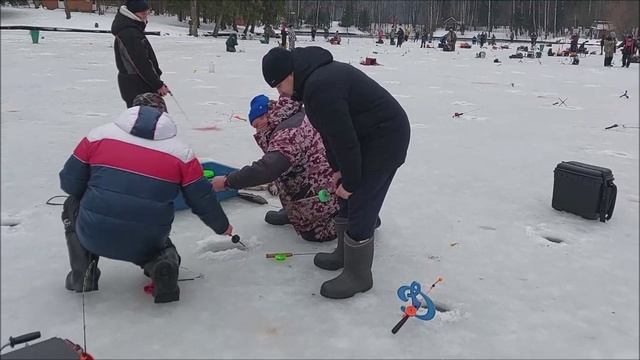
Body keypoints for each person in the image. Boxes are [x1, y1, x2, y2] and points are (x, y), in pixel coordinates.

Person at [261, 47, 410, 299]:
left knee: (360, 201)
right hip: (366, 137)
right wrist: (338, 171)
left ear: (290, 73)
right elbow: (329, 134)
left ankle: (359, 275)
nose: (280, 93)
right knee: (345, 197)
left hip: (386, 139)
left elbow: (345, 141)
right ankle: (343, 253)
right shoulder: (312, 84)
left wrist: (350, 182)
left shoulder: (321, 86)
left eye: (279, 85)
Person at [59, 93, 233, 304]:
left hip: (93, 233)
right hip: (146, 240)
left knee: (71, 205)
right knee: (159, 246)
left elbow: (69, 183)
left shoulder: (97, 136)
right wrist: (222, 227)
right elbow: (202, 199)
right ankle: (162, 265)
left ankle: (84, 275)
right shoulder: (182, 153)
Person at [212, 95, 340, 242]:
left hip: (322, 187)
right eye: (254, 126)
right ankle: (294, 212)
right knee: (286, 174)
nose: (257, 128)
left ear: (267, 113)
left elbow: (268, 169)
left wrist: (228, 181)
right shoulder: (287, 117)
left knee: (316, 234)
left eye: (258, 122)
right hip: (309, 181)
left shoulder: (287, 133)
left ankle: (354, 220)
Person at [111, 0, 169, 108]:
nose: (145, 17)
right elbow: (141, 63)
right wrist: (157, 84)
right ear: (132, 13)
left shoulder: (133, 30)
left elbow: (146, 58)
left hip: (142, 85)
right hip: (137, 88)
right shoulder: (129, 33)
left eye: (147, 13)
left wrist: (157, 81)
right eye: (142, 14)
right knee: (146, 121)